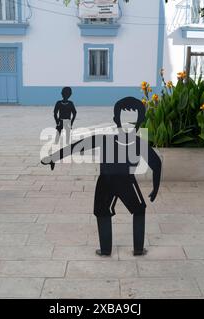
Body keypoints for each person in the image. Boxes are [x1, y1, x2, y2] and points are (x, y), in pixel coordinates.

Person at [42, 97, 162, 256]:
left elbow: (76, 147)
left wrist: (53, 158)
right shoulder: (138, 142)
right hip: (125, 181)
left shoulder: (104, 139)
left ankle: (106, 250)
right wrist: (155, 187)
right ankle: (138, 249)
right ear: (141, 121)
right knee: (138, 210)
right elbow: (157, 164)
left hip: (106, 181)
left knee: (103, 212)